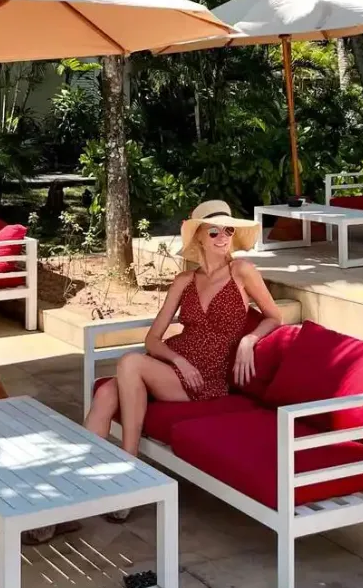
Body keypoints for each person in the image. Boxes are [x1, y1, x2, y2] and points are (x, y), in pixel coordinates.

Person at [83, 199, 283, 519]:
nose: (223, 237)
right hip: (175, 366)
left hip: (206, 378)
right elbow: (153, 339)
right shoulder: (184, 281)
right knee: (107, 392)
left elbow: (275, 316)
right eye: (214, 231)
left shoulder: (242, 271)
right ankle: (75, 491)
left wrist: (249, 339)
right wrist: (179, 360)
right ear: (199, 238)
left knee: (129, 363)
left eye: (228, 230)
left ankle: (131, 477)